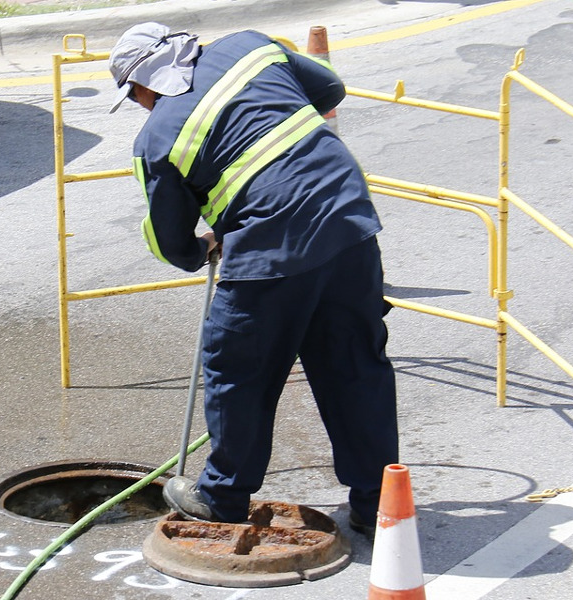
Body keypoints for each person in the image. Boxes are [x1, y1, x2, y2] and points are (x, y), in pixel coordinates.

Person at [108, 22, 398, 536]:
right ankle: (379, 505)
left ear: (145, 84)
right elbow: (329, 88)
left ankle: (221, 498)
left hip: (270, 252)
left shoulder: (158, 138)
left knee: (237, 373)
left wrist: (206, 243)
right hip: (346, 219)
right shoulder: (250, 47)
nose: (140, 105)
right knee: (354, 364)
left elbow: (170, 243)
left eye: (134, 95)